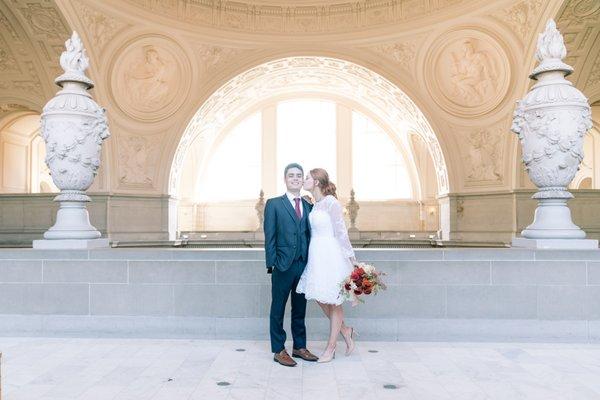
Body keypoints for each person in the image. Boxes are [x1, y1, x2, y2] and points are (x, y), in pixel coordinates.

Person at [296, 168, 357, 363]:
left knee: (334, 299)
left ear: (315, 182)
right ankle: (345, 330)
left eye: (307, 178)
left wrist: (350, 257)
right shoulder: (315, 204)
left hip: (330, 253)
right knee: (320, 296)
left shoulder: (331, 202)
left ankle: (331, 348)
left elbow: (341, 231)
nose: (304, 180)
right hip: (316, 254)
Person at [264, 163, 319, 367]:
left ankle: (299, 347)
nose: (295, 178)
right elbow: (269, 237)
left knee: (300, 309)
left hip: (302, 265)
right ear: (285, 179)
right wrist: (273, 264)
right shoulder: (274, 204)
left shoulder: (308, 206)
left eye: (298, 176)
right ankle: (279, 349)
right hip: (282, 266)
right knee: (278, 309)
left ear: (302, 179)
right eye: (291, 176)